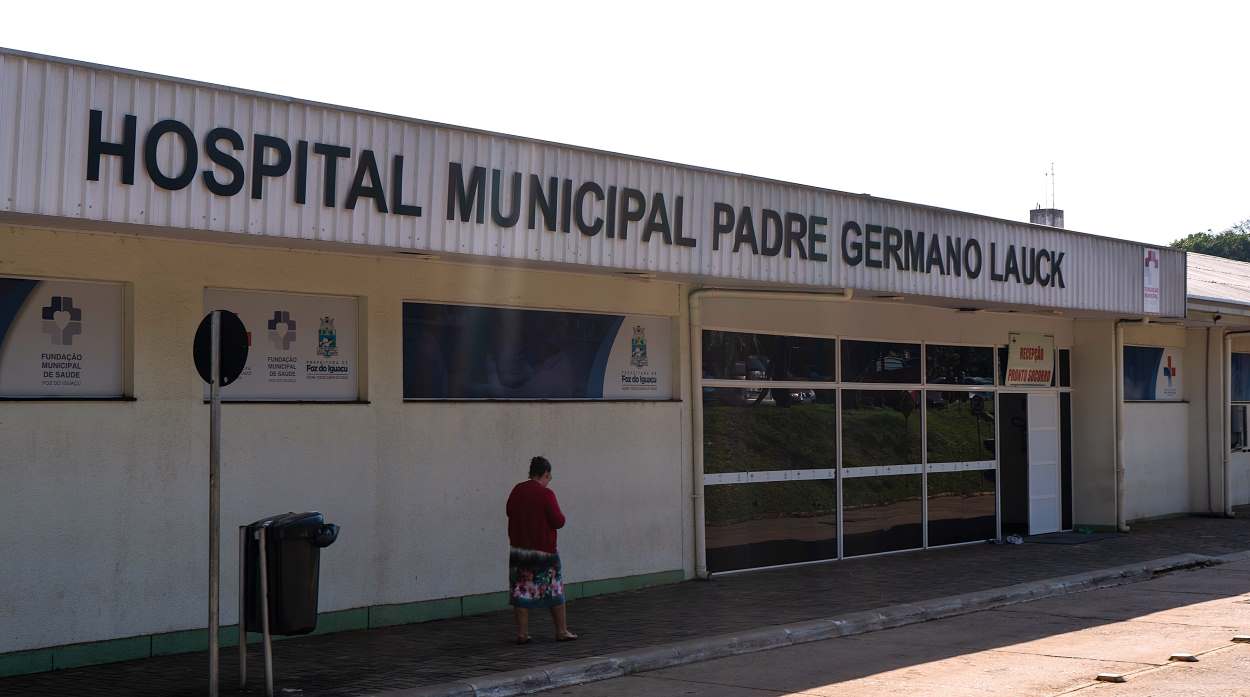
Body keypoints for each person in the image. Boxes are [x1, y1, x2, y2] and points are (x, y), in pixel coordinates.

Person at [505, 456, 577, 644]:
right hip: (544, 551)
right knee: (554, 590)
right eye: (549, 476)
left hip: (520, 551)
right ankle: (561, 631)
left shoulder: (517, 490)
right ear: (544, 474)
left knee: (521, 591)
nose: (549, 480)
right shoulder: (546, 494)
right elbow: (558, 521)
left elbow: (509, 511)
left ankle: (522, 634)